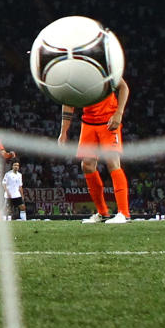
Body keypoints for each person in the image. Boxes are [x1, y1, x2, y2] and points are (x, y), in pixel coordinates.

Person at [58, 80, 131, 224]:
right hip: (88, 122)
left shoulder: (104, 65)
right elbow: (68, 102)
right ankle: (103, 213)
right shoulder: (72, 74)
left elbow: (124, 87)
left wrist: (118, 113)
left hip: (108, 121)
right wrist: (63, 132)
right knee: (87, 165)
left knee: (112, 162)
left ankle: (124, 213)